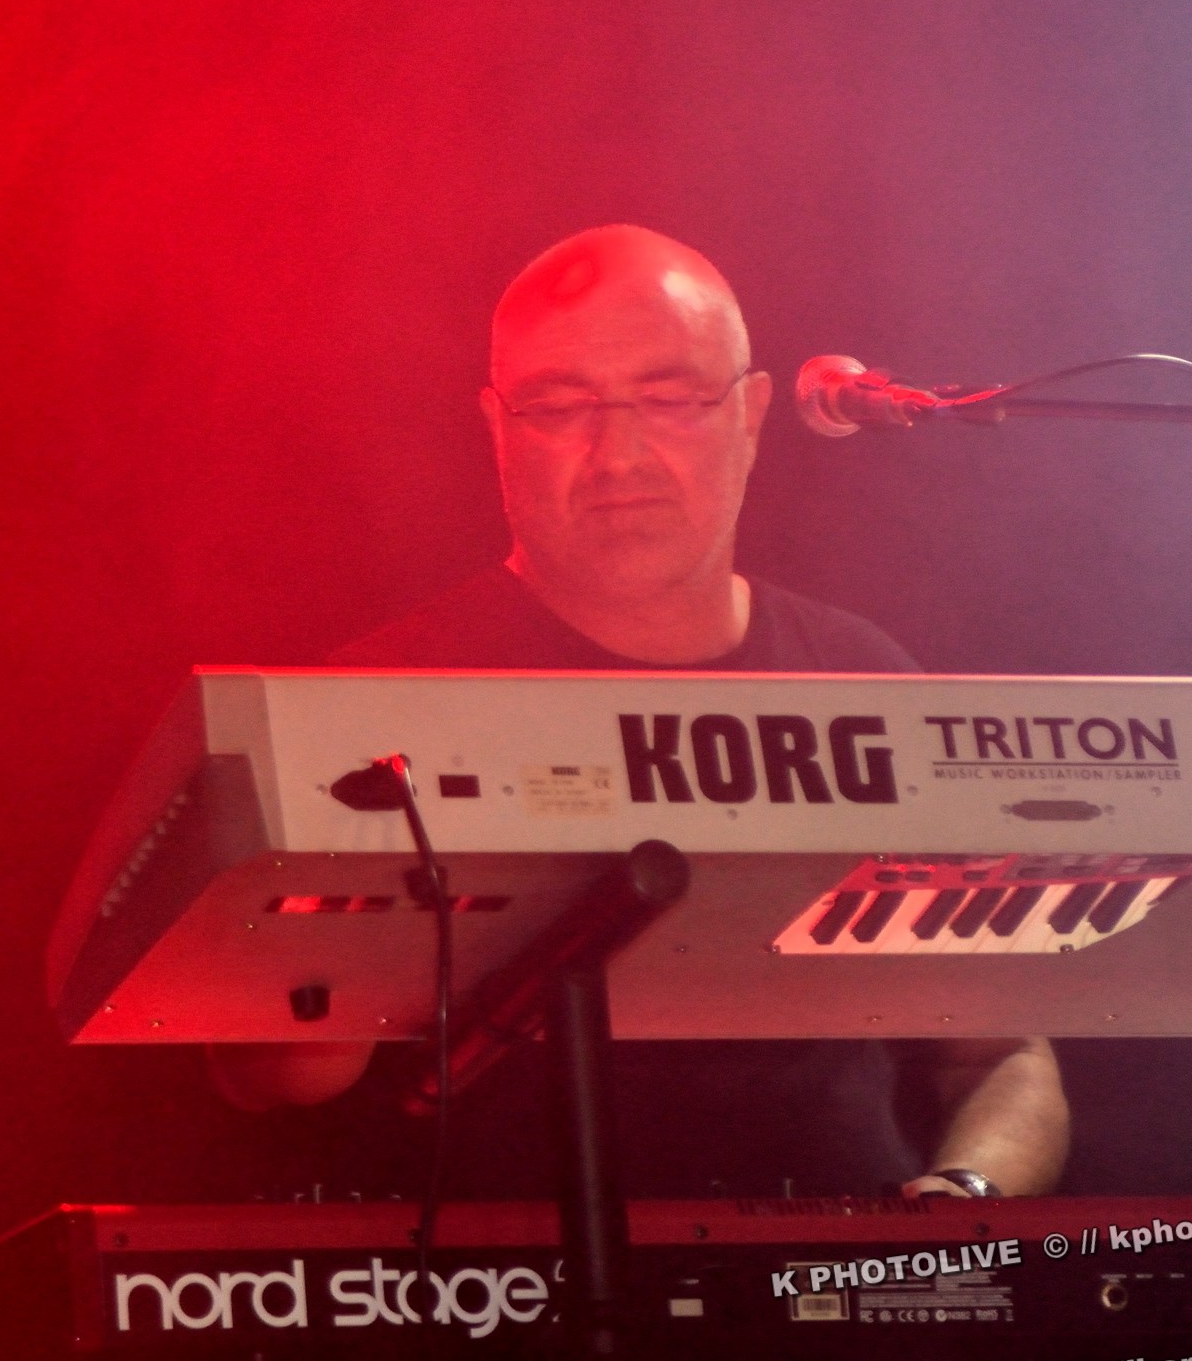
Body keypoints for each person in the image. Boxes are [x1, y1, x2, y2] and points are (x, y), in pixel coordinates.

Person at [207, 224, 1070, 1201]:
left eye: (669, 399)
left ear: (750, 415)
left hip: (841, 1279)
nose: (617, 454)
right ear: (497, 429)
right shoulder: (376, 701)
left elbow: (1004, 1053)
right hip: (502, 1288)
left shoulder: (863, 681)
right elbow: (271, 1077)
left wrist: (961, 1204)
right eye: (558, 406)